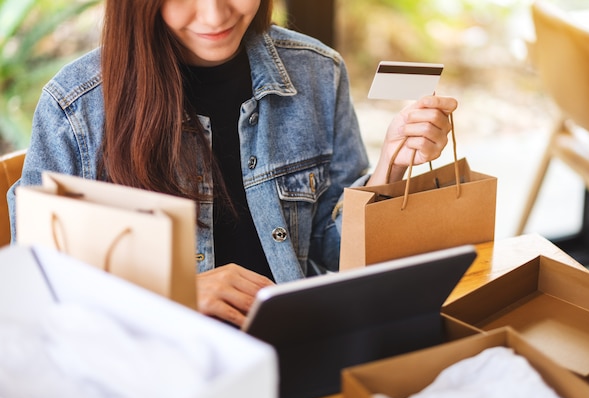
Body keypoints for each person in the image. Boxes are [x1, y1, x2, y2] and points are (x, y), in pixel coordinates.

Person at [7, 0, 457, 327]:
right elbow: (40, 283)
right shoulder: (75, 107)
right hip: (161, 361)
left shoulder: (318, 72)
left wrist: (389, 170)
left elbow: (333, 258)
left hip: (297, 342)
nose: (215, 14)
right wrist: (174, 293)